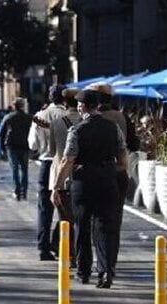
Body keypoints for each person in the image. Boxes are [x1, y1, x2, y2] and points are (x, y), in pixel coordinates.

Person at [52, 89, 127, 289]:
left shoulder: (76, 131)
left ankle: (84, 272)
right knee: (105, 228)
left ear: (82, 107)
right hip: (107, 181)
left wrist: (57, 187)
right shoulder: (114, 128)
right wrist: (108, 170)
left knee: (82, 226)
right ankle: (105, 272)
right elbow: (123, 161)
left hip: (83, 182)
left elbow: (68, 160)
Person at [87, 82, 139, 270]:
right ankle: (111, 262)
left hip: (95, 173)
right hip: (119, 174)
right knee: (114, 220)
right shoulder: (122, 117)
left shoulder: (90, 119)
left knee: (96, 219)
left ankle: (100, 260)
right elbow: (135, 144)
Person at [29, 84, 76, 261]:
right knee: (66, 210)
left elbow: (32, 144)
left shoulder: (39, 116)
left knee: (44, 209)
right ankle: (63, 244)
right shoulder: (67, 116)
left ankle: (43, 248)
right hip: (64, 165)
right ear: (64, 98)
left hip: (45, 163)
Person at [0, 97, 32, 200]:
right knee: (24, 170)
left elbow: (1, 133)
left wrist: (2, 148)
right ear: (22, 106)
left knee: (15, 169)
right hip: (25, 146)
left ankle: (17, 191)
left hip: (11, 146)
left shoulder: (8, 117)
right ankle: (24, 192)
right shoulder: (29, 118)